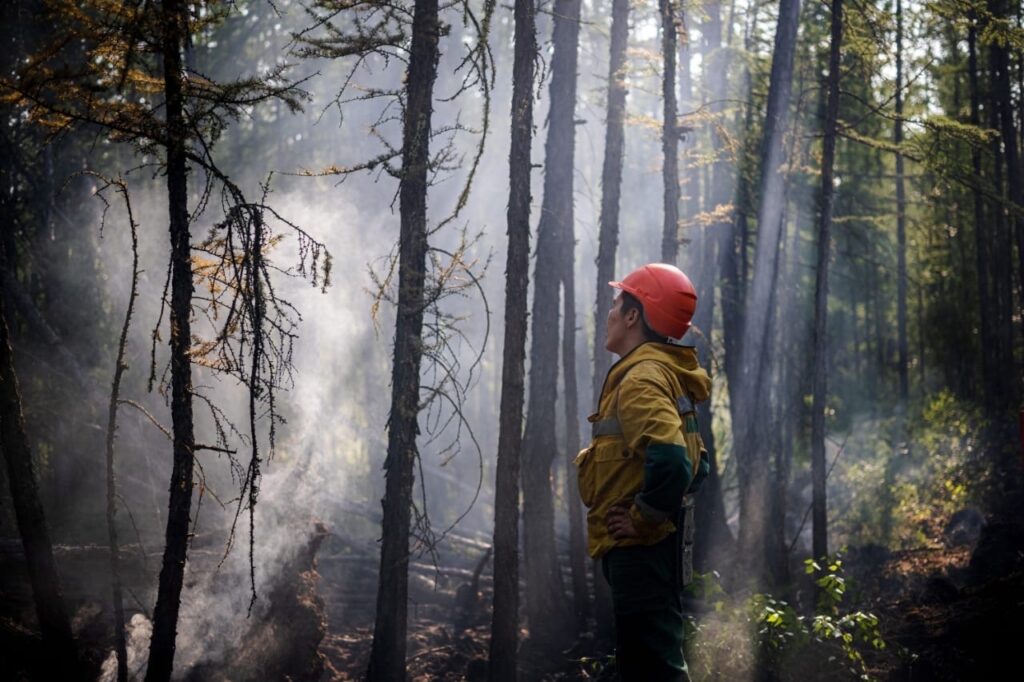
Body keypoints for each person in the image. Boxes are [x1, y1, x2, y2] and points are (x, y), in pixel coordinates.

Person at [575, 263, 711, 681]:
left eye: (617, 304)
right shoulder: (664, 374)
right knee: (648, 664)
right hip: (653, 549)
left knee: (654, 669)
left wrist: (643, 518)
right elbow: (699, 464)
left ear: (634, 316)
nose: (610, 314)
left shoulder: (641, 379)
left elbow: (674, 460)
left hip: (641, 551)